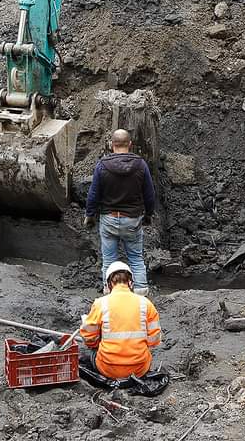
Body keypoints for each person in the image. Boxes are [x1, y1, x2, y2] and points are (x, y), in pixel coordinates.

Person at [84, 129, 155, 295]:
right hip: (132, 220)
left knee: (109, 261)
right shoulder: (140, 165)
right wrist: (149, 215)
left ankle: (109, 295)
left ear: (111, 145)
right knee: (136, 259)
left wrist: (89, 215)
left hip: (108, 219)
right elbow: (150, 194)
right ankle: (141, 296)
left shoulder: (102, 165)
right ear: (130, 144)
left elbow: (93, 194)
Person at [80, 261, 161, 379]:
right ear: (131, 283)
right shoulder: (146, 304)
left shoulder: (101, 303)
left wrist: (98, 343)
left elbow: (89, 338)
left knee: (89, 353)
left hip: (107, 369)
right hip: (139, 369)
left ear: (109, 284)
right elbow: (154, 341)